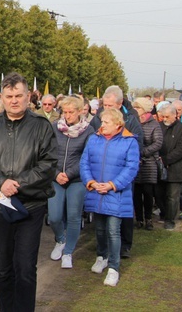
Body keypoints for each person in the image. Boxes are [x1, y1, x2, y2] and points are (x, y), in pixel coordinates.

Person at [0, 73, 56, 312]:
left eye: (19, 95)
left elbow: (48, 164)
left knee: (26, 269)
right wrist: (0, 182)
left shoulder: (42, 126)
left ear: (28, 96)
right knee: (4, 270)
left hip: (30, 206)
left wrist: (16, 184)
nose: (14, 100)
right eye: (9, 96)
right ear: (2, 97)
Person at [80, 108, 139, 287]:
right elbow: (84, 162)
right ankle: (101, 256)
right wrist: (91, 182)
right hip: (96, 191)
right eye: (102, 121)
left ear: (117, 125)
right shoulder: (93, 139)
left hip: (116, 193)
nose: (102, 125)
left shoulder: (130, 142)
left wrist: (113, 184)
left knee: (113, 230)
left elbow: (131, 168)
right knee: (99, 229)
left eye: (106, 122)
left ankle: (114, 267)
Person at [89, 86, 143, 259]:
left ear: (119, 104)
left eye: (111, 105)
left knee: (123, 211)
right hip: (101, 172)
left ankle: (124, 245)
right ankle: (103, 247)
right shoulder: (98, 119)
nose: (107, 109)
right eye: (105, 105)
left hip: (121, 175)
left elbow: (137, 146)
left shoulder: (131, 120)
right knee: (101, 212)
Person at [47, 95, 95, 269]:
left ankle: (68, 252)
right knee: (54, 216)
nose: (67, 115)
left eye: (71, 112)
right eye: (65, 112)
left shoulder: (88, 131)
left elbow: (87, 157)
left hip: (77, 179)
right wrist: (56, 173)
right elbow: (46, 153)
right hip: (56, 178)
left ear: (80, 111)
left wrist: (69, 173)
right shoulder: (54, 128)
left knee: (74, 216)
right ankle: (60, 239)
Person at [157, 104, 182, 230]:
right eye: (163, 116)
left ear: (174, 115)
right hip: (160, 167)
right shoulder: (159, 126)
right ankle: (163, 213)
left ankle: (170, 219)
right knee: (159, 194)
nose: (164, 119)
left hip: (175, 168)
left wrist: (166, 159)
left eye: (167, 116)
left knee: (172, 196)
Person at [131, 97, 163, 230]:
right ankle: (139, 219)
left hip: (149, 163)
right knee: (137, 193)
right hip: (136, 163)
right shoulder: (134, 122)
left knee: (148, 192)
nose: (135, 110)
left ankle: (148, 218)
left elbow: (158, 143)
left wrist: (143, 152)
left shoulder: (154, 124)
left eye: (138, 108)